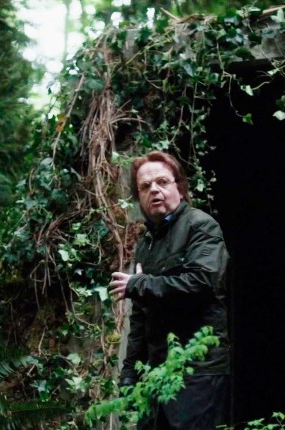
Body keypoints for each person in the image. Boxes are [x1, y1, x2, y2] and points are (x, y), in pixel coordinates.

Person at [109, 150, 231, 429]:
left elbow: (201, 281)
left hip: (198, 371)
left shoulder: (201, 226)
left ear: (180, 188)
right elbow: (140, 317)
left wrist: (140, 284)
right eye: (145, 186)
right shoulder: (146, 244)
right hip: (156, 373)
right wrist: (129, 374)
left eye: (162, 182)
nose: (154, 190)